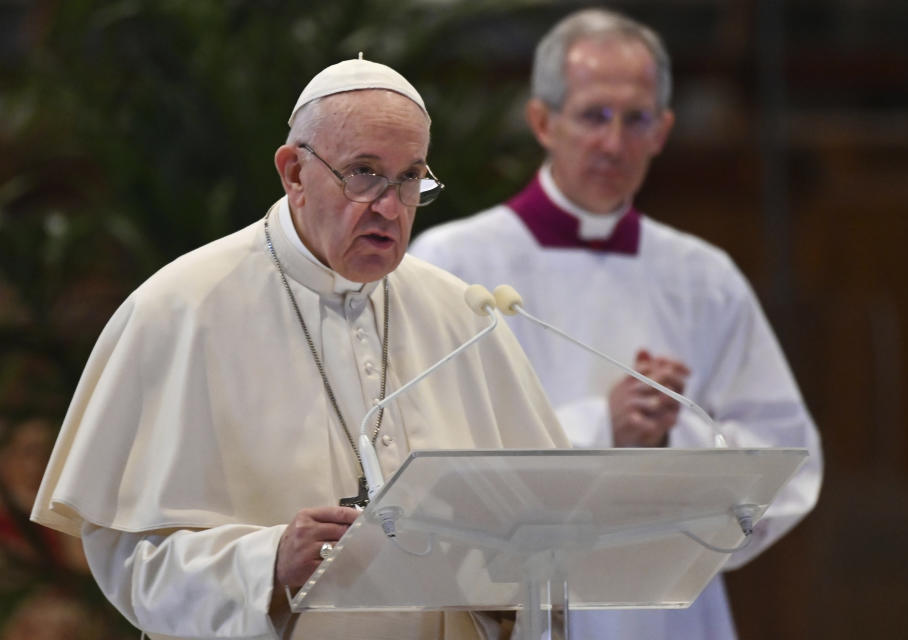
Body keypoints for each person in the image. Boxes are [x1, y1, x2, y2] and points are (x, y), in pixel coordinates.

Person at [31, 56, 569, 640]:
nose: (390, 207)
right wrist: (270, 563)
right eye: (363, 173)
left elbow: (548, 535)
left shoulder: (461, 314)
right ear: (293, 173)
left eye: (410, 178)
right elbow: (130, 563)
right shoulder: (180, 310)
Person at [410, 8, 823, 640]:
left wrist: (672, 437)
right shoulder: (451, 264)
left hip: (670, 617)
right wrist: (604, 428)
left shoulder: (704, 277)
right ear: (542, 120)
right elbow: (423, 460)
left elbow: (789, 459)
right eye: (594, 116)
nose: (614, 142)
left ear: (663, 131)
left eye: (636, 120)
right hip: (513, 608)